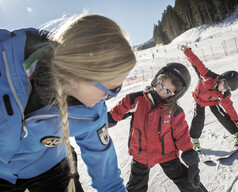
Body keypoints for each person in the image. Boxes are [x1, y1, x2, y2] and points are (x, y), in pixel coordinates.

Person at [0, 14, 136, 192]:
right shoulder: (5, 67)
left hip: (51, 167)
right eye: (111, 89)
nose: (110, 97)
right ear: (76, 77)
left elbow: (107, 177)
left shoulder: (92, 112)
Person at [107, 63, 201, 192]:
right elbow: (117, 112)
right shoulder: (136, 99)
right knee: (136, 187)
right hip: (141, 154)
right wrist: (102, 120)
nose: (162, 91)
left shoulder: (174, 111)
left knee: (187, 182)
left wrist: (192, 159)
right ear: (157, 79)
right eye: (161, 85)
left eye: (168, 91)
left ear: (174, 94)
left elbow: (182, 135)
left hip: (166, 153)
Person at [179, 45, 238, 151]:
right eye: (225, 86)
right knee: (199, 117)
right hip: (200, 99)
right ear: (222, 79)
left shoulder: (223, 94)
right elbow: (197, 62)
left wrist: (236, 120)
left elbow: (229, 107)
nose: (224, 89)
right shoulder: (207, 76)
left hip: (212, 102)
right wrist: (187, 51)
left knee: (220, 115)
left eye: (227, 89)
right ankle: (194, 140)